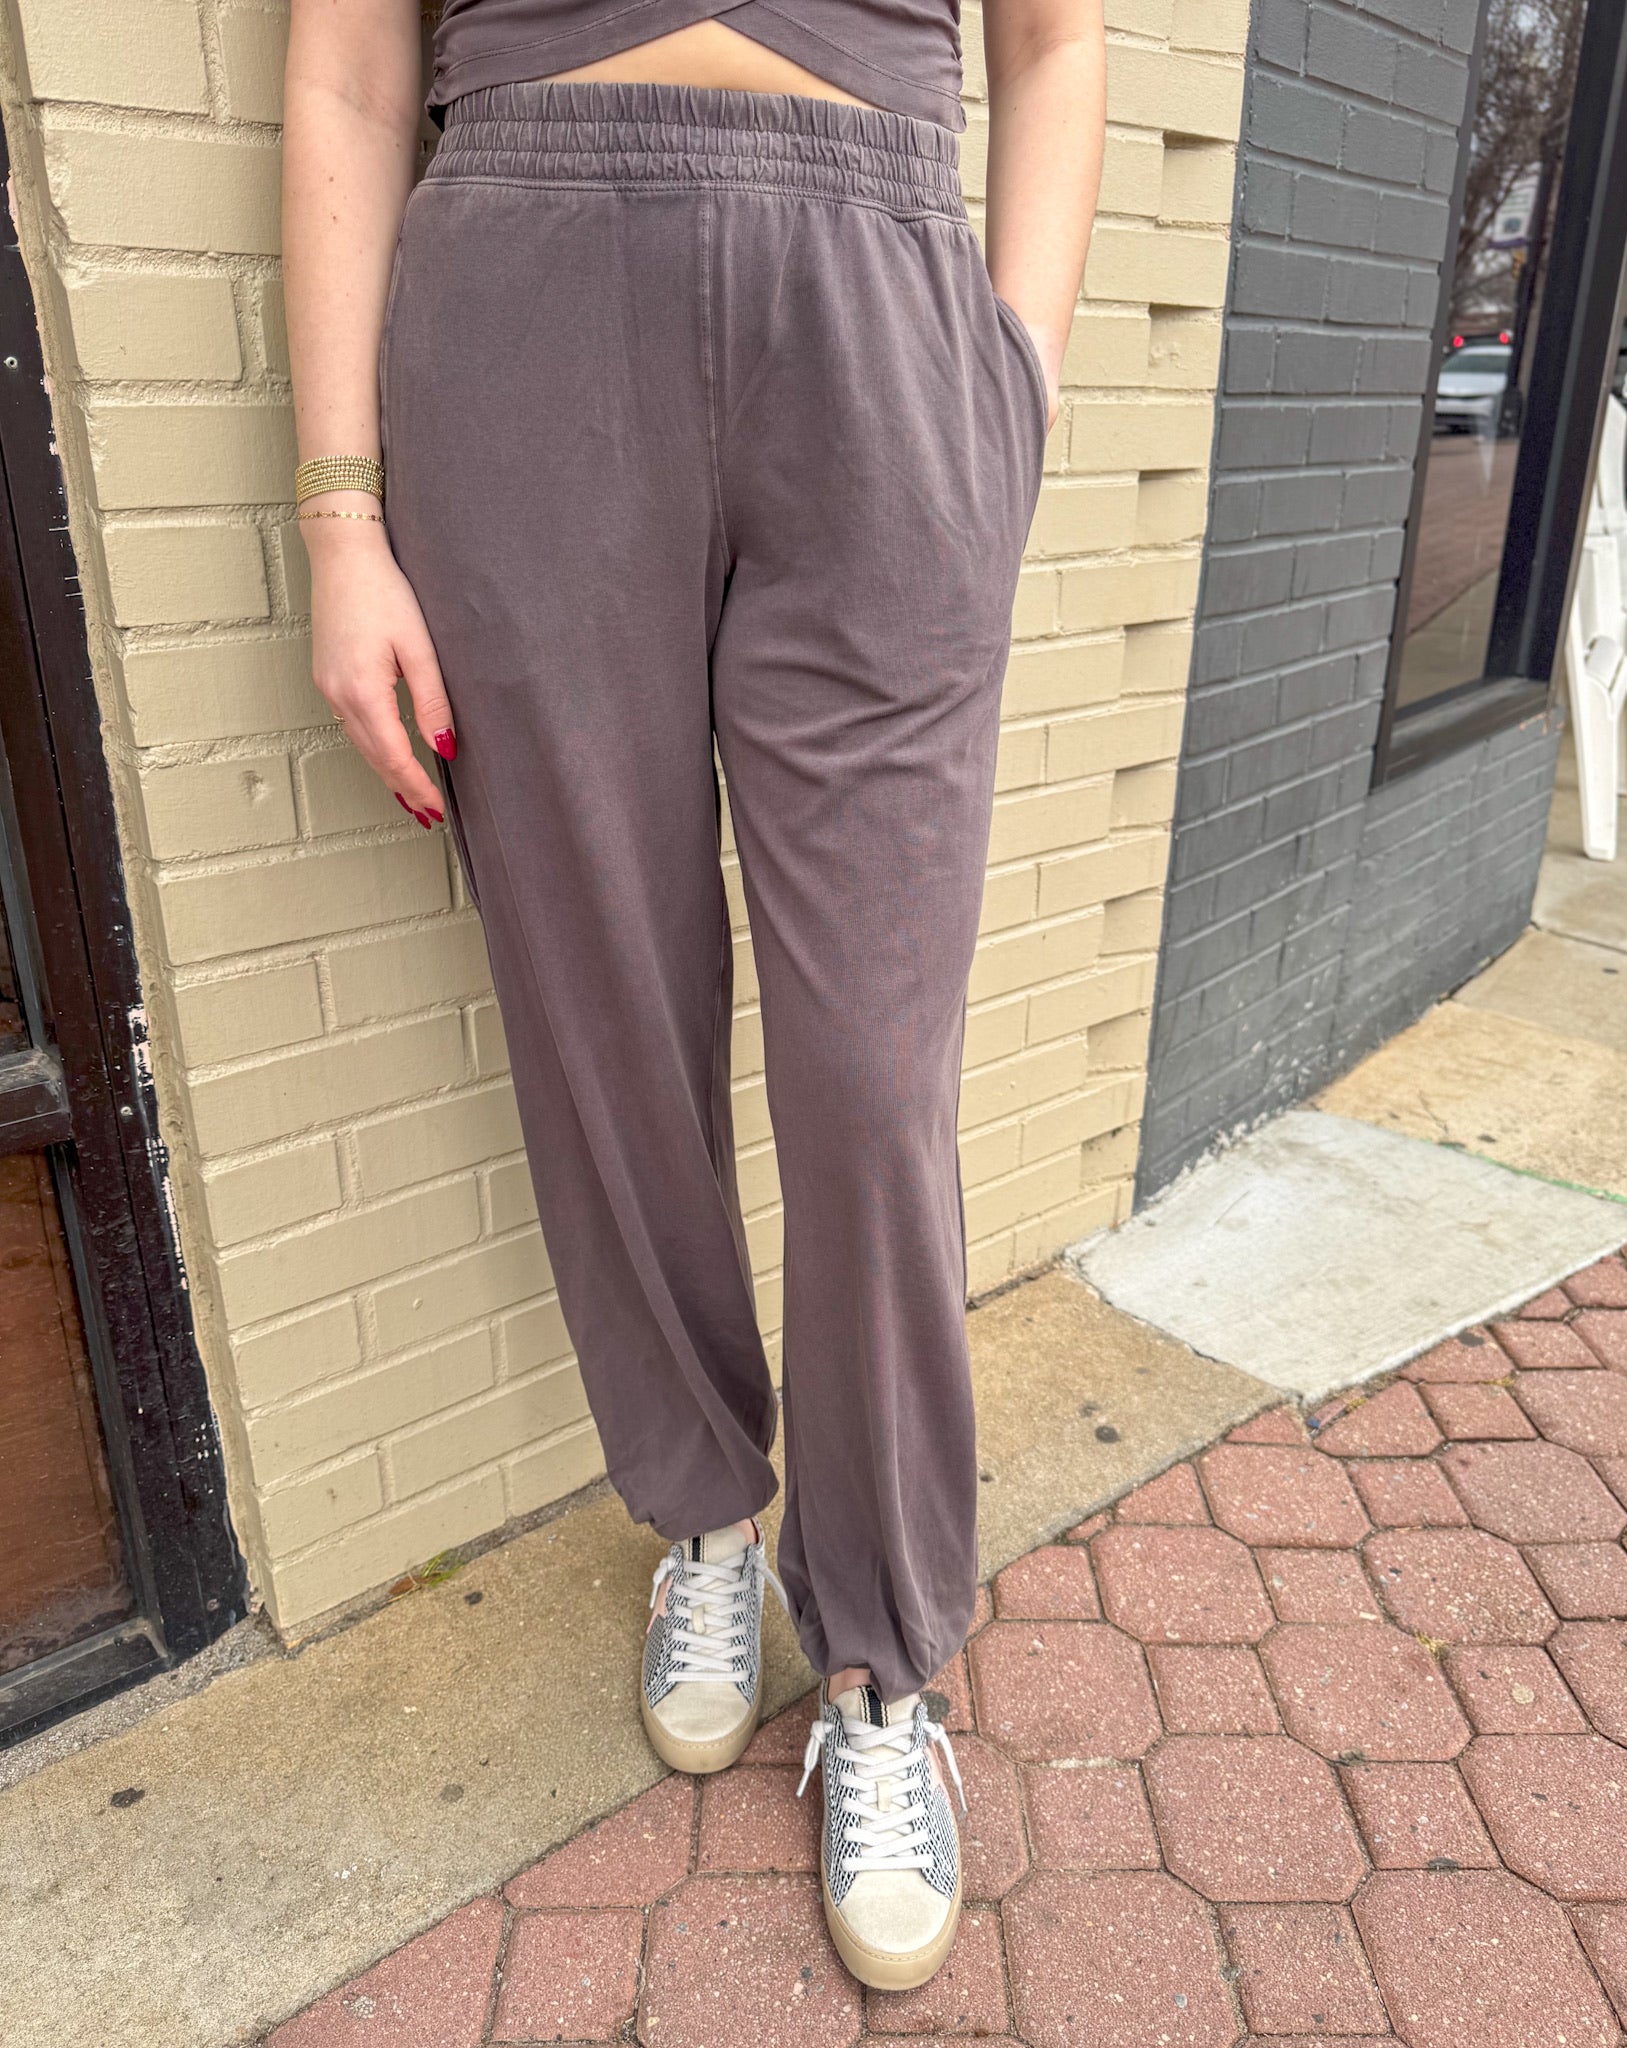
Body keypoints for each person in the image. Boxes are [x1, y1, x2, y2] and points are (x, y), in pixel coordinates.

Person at [283, 0, 1103, 1990]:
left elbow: (1055, 48)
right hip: (526, 307)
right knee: (607, 1015)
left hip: (882, 316)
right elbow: (344, 75)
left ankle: (883, 1657)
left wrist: (1010, 388)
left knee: (875, 1077)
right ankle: (707, 1512)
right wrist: (339, 514)